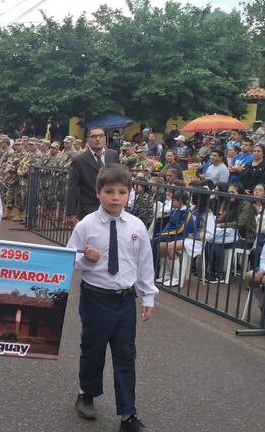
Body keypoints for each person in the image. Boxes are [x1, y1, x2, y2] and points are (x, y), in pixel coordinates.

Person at [67, 164, 157, 432]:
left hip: (125, 301)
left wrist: (148, 297)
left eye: (121, 192)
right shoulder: (87, 225)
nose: (115, 197)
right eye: (109, 192)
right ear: (98, 193)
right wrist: (84, 257)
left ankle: (128, 415)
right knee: (93, 350)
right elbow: (70, 257)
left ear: (129, 194)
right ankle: (87, 393)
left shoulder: (137, 227)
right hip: (96, 298)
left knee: (126, 356)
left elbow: (144, 264)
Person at [66, 127, 119, 224]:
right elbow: (72, 187)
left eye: (101, 136)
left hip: (110, 208)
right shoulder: (79, 160)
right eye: (94, 136)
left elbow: (118, 180)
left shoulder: (113, 155)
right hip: (88, 209)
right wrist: (71, 213)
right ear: (87, 140)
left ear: (105, 138)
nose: (98, 139)